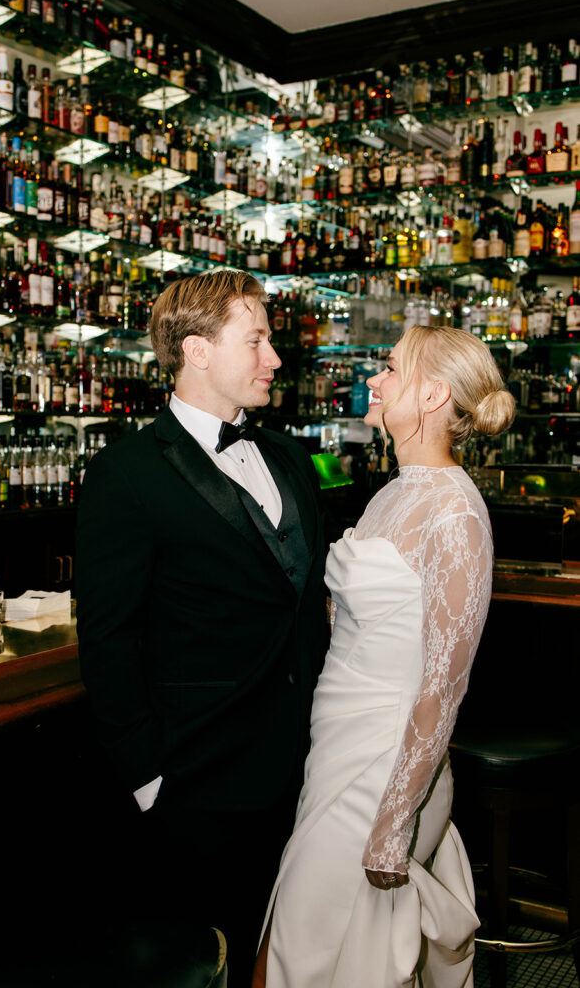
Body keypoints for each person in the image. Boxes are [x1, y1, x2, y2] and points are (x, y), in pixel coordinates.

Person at [76, 269, 330, 985]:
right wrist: (148, 776)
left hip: (300, 766)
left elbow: (301, 605)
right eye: (255, 340)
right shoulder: (125, 474)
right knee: (202, 961)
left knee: (281, 951)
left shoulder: (288, 458)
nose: (274, 358)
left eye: (270, 340)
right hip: (195, 782)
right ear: (197, 350)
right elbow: (107, 637)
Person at [254, 325, 516, 988]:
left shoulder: (454, 511)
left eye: (391, 368)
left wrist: (393, 825)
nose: (375, 378)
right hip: (337, 748)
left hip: (386, 768)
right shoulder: (393, 492)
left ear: (431, 394)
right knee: (298, 948)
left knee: (312, 956)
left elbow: (442, 687)